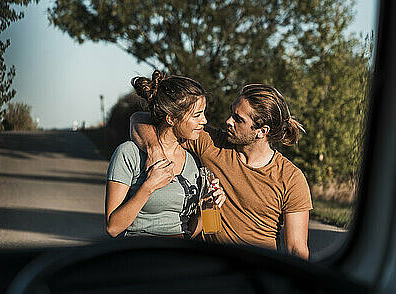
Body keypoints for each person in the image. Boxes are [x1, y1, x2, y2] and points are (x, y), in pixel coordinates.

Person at [131, 84, 312, 259]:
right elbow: (140, 118)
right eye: (231, 112)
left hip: (255, 273)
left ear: (261, 131)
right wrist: (154, 149)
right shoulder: (211, 143)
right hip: (206, 264)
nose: (228, 121)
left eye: (238, 119)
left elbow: (296, 249)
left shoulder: (290, 178)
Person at [105, 71, 225, 238]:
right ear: (171, 119)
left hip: (179, 255)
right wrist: (148, 186)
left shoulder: (194, 161)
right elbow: (113, 227)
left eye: (203, 113)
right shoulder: (128, 153)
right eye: (197, 115)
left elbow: (188, 231)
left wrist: (208, 206)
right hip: (140, 254)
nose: (204, 120)